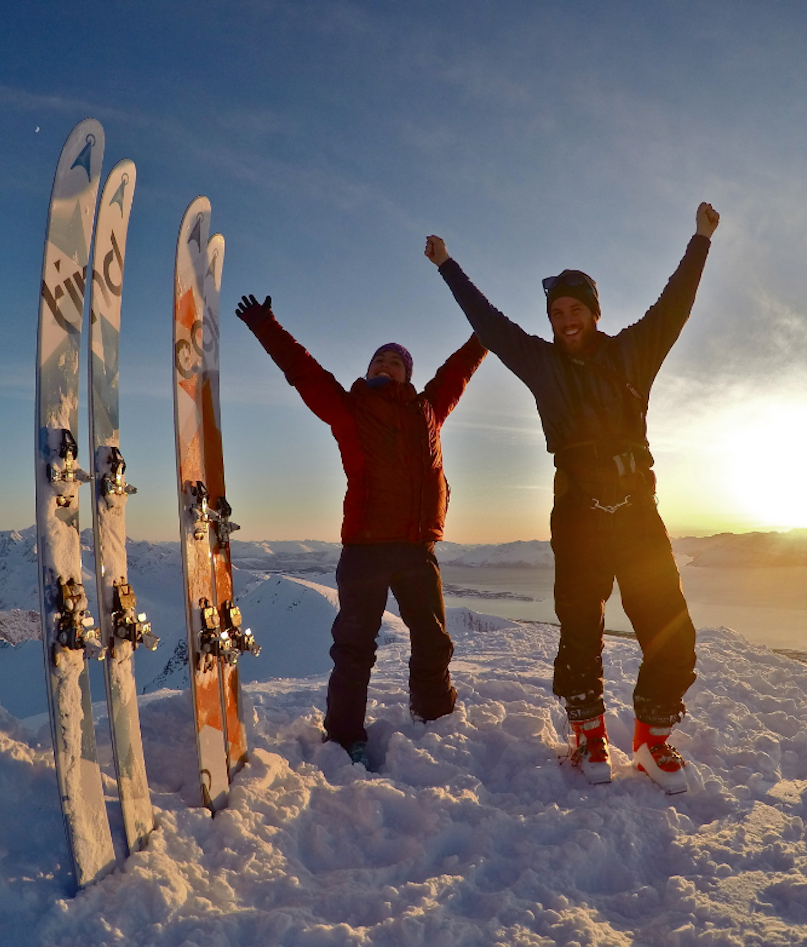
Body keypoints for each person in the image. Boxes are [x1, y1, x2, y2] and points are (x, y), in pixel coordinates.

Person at [423, 202, 720, 793]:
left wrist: (701, 239)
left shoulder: (633, 352)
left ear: (593, 312)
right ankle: (587, 734)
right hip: (579, 514)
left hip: (636, 512)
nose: (564, 320)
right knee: (580, 628)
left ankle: (651, 739)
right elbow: (492, 325)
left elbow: (675, 303)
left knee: (672, 630)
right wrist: (448, 267)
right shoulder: (541, 364)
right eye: (556, 312)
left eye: (574, 309)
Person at [235, 293, 487, 769]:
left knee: (433, 640)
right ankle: (345, 734)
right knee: (354, 649)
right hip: (366, 549)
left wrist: (483, 336)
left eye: (395, 361)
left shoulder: (428, 411)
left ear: (407, 375)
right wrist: (266, 324)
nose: (386, 365)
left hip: (417, 548)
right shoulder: (348, 408)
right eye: (379, 359)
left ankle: (434, 716)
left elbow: (458, 371)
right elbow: (303, 371)